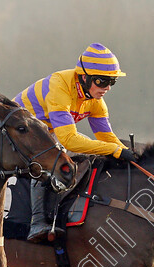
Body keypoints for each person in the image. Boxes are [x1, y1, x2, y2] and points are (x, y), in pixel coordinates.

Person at [14, 43, 134, 243]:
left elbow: (106, 137)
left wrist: (126, 151)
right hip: (18, 131)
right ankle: (37, 223)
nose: (107, 88)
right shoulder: (60, 86)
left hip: (43, 133)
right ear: (84, 77)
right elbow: (69, 139)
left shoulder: (95, 100)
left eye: (112, 81)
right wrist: (114, 150)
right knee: (51, 158)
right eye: (102, 81)